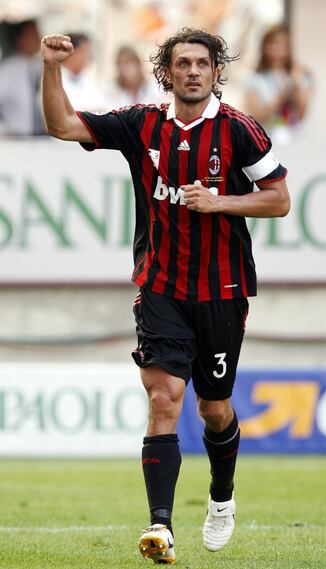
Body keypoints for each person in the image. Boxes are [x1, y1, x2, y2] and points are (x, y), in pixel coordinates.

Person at [41, 28, 290, 565]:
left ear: (216, 72)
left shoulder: (241, 130)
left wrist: (220, 202)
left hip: (222, 289)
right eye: (183, 63)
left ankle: (221, 498)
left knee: (214, 408)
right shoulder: (142, 123)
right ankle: (160, 527)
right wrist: (51, 67)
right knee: (163, 399)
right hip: (159, 286)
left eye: (203, 63)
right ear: (168, 71)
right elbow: (61, 125)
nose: (194, 71)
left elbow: (279, 200)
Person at [243, 24, 313, 144]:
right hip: (264, 141)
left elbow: (301, 114)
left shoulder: (298, 74)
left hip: (294, 141)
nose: (278, 49)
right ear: (264, 46)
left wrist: (295, 85)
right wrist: (279, 97)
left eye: (283, 45)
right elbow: (257, 117)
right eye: (273, 44)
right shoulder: (254, 77)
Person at [0, 19, 45, 136]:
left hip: (43, 138)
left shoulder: (38, 66)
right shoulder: (7, 70)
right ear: (19, 38)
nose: (39, 39)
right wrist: (3, 129)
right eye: (33, 35)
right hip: (17, 138)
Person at [61, 32, 107, 112]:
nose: (89, 56)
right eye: (85, 51)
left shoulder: (87, 80)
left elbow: (103, 108)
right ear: (72, 52)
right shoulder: (55, 80)